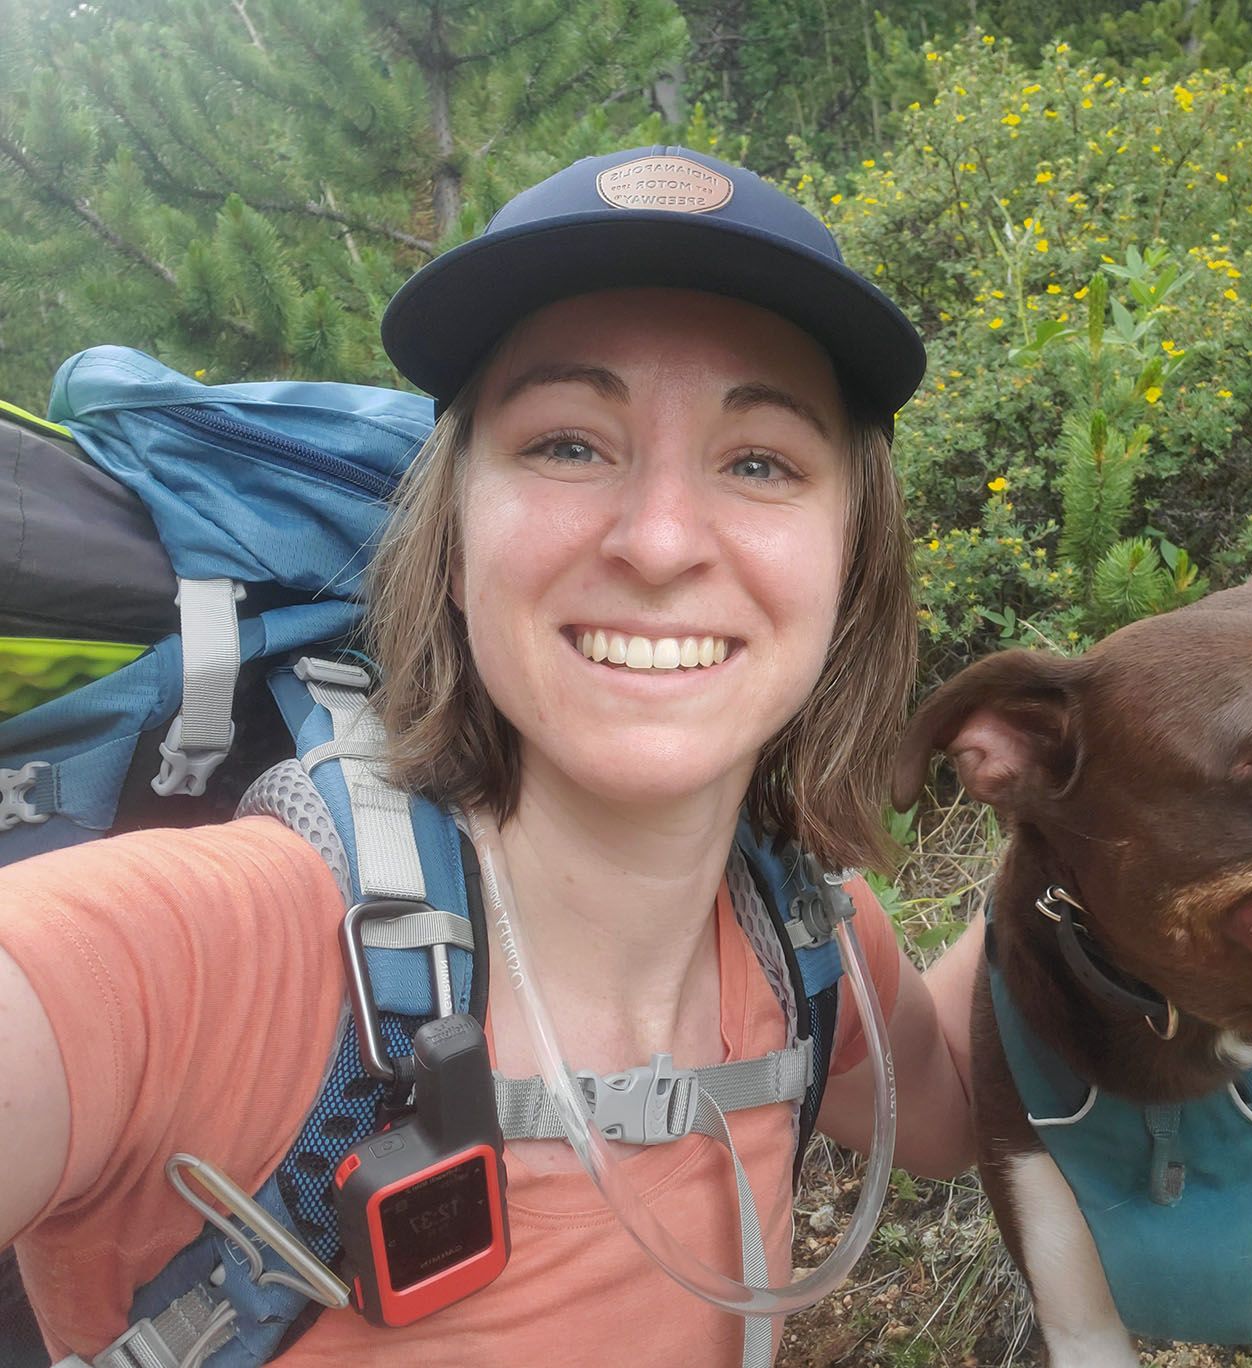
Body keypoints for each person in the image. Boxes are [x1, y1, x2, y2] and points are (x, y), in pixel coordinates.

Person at [0, 145, 981, 1366]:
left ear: (849, 563)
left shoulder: (814, 941)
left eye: (760, 461)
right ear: (456, 542)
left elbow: (949, 1115)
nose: (662, 538)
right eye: (568, 442)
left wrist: (1090, 793)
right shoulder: (207, 956)